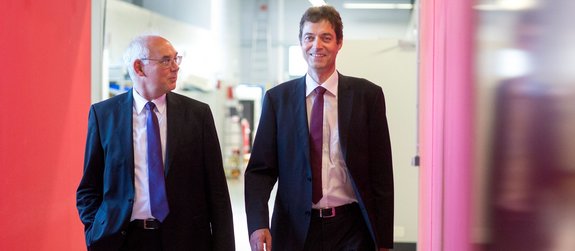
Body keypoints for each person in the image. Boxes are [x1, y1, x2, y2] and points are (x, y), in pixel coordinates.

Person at [244, 5, 394, 251]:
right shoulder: (277, 100)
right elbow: (260, 171)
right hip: (294, 229)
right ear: (301, 42)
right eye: (309, 37)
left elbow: (381, 174)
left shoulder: (368, 96)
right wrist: (258, 224)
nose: (317, 45)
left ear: (339, 43)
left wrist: (384, 240)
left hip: (352, 228)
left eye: (326, 38)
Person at [76, 35, 235, 251]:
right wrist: (95, 231)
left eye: (176, 59)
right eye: (166, 60)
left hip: (185, 240)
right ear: (139, 67)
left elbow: (217, 193)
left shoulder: (198, 115)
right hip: (122, 240)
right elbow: (89, 187)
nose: (176, 67)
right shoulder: (104, 115)